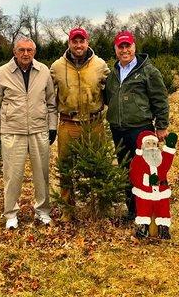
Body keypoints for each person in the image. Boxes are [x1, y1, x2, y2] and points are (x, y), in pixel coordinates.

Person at [0, 36, 58, 229]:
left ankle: (43, 211)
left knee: (42, 174)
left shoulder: (43, 71)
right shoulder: (2, 73)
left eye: (29, 50)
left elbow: (51, 103)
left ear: (34, 52)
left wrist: (52, 127)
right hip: (13, 132)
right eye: (21, 50)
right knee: (12, 175)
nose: (25, 54)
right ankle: (11, 214)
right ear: (14, 52)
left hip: (38, 130)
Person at [104, 30, 169, 220]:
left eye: (128, 46)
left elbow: (160, 99)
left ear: (134, 47)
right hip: (118, 129)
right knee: (126, 169)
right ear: (115, 49)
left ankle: (152, 209)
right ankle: (132, 210)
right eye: (120, 46)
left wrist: (162, 125)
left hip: (141, 129)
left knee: (147, 169)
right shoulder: (113, 72)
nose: (125, 50)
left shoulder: (148, 71)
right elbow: (109, 98)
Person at [50, 27, 110, 220]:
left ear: (87, 42)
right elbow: (49, 96)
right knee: (66, 168)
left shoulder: (100, 65)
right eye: (74, 41)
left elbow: (110, 90)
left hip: (94, 122)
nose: (78, 45)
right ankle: (68, 210)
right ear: (69, 43)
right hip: (68, 123)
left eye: (81, 41)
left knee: (99, 165)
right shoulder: (57, 67)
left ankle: (100, 207)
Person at [129, 130, 177, 239]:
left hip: (161, 192)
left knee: (163, 210)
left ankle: (163, 230)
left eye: (154, 144)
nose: (152, 147)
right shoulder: (138, 160)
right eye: (148, 143)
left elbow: (166, 163)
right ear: (142, 145)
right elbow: (134, 175)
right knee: (144, 210)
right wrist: (147, 180)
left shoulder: (159, 158)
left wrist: (169, 147)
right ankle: (142, 229)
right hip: (145, 193)